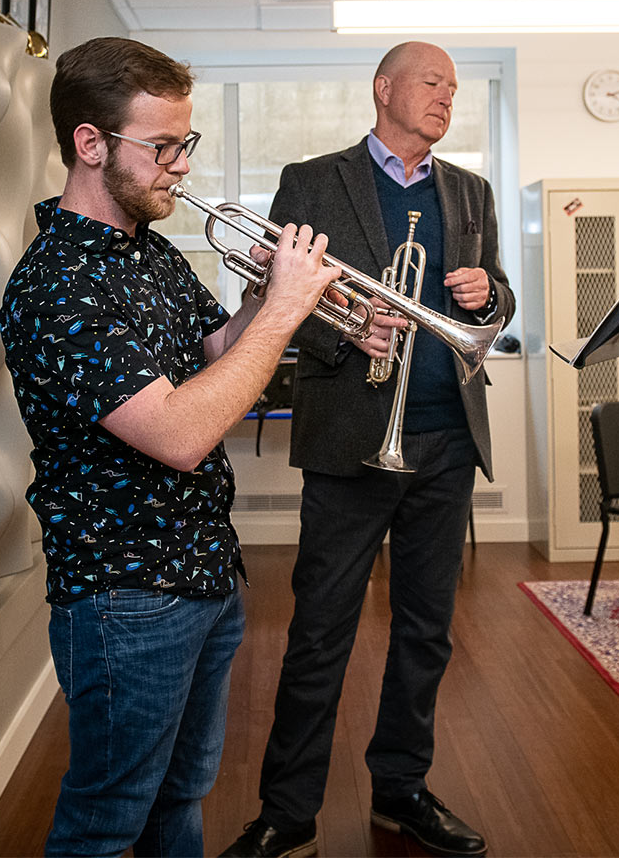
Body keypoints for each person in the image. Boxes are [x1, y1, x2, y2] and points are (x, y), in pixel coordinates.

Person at [0, 36, 341, 858]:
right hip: (126, 594)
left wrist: (264, 296)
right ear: (91, 144)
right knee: (106, 823)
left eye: (185, 144)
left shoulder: (146, 256)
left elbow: (213, 358)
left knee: (179, 799)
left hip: (202, 572)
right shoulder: (57, 286)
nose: (181, 166)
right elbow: (183, 434)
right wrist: (288, 314)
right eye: (162, 146)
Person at [222, 41, 515, 858]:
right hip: (352, 440)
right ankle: (289, 810)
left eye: (454, 89)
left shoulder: (470, 190)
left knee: (426, 630)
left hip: (446, 440)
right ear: (384, 88)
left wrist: (490, 293)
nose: (446, 98)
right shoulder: (313, 179)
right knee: (320, 630)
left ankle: (403, 789)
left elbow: (499, 300)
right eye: (432, 82)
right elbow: (273, 292)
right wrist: (347, 328)